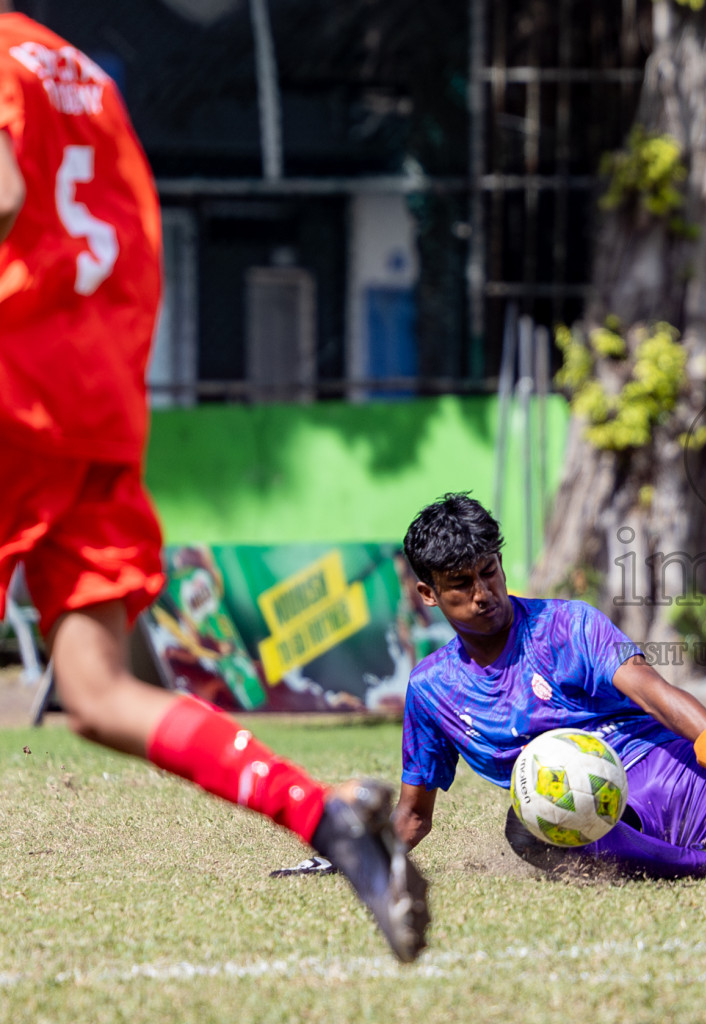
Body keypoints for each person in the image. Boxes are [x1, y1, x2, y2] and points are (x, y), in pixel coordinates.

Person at [0, 9, 429, 959]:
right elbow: (131, 238)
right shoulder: (81, 74)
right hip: (93, 401)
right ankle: (325, 818)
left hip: (14, 391)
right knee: (98, 692)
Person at [389, 493, 706, 882]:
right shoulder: (432, 690)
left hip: (687, 785)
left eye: (490, 572)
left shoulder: (564, 624)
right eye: (461, 584)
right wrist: (350, 853)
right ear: (428, 594)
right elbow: (414, 816)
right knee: (526, 826)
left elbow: (651, 690)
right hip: (602, 829)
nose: (484, 594)